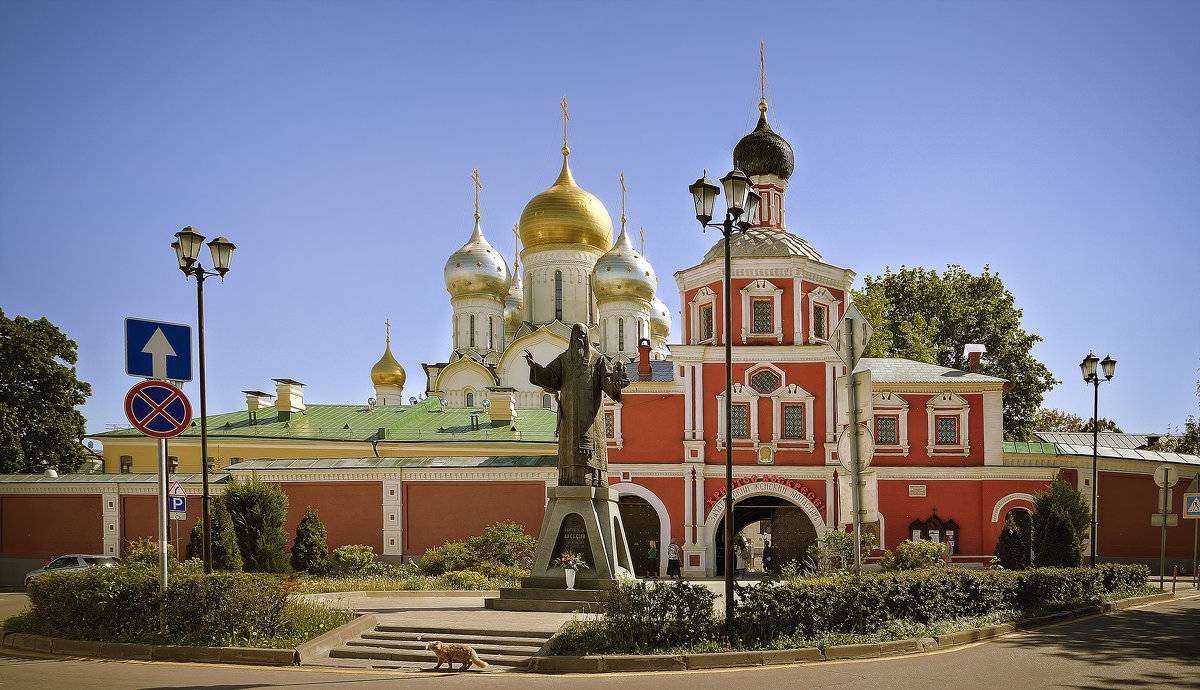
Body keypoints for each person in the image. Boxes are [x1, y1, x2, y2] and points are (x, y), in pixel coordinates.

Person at [525, 324, 629, 487]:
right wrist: (535, 367)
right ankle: (568, 479)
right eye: (575, 334)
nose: (578, 337)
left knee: (590, 448)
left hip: (591, 417)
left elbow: (607, 381)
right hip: (569, 416)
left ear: (587, 336)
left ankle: (593, 479)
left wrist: (616, 384)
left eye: (581, 334)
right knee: (569, 448)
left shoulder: (597, 359)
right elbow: (551, 377)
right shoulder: (563, 359)